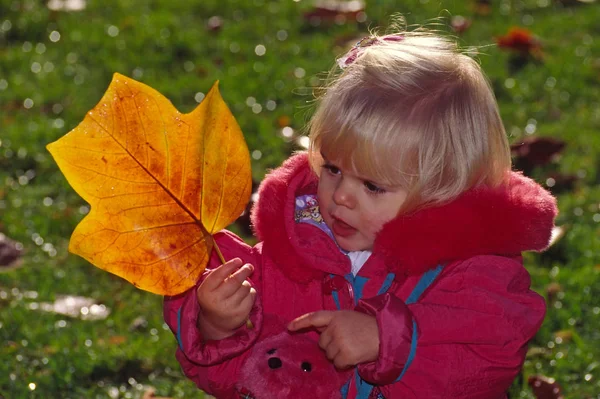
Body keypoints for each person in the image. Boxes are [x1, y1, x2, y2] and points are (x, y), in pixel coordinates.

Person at [164, 19, 557, 399]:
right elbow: (240, 381)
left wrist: (390, 342)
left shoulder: (474, 274)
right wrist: (217, 326)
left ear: (444, 190)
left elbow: (486, 362)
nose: (340, 197)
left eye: (372, 185)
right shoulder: (295, 249)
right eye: (332, 169)